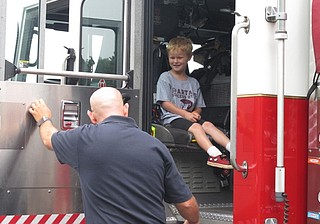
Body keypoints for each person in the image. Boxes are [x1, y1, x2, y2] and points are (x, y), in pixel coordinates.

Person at [28, 87, 200, 224]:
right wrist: (192, 221)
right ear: (126, 109)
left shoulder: (83, 139)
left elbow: (48, 139)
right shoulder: (156, 146)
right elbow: (187, 204)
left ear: (92, 117)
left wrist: (44, 118)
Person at [156, 36, 232, 169]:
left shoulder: (193, 82)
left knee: (208, 125)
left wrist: (196, 113)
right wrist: (185, 115)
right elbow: (165, 103)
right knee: (197, 128)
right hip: (172, 118)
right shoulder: (165, 78)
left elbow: (199, 106)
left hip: (189, 117)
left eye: (179, 58)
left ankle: (235, 150)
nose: (175, 61)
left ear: (189, 57)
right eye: (172, 58)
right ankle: (214, 155)